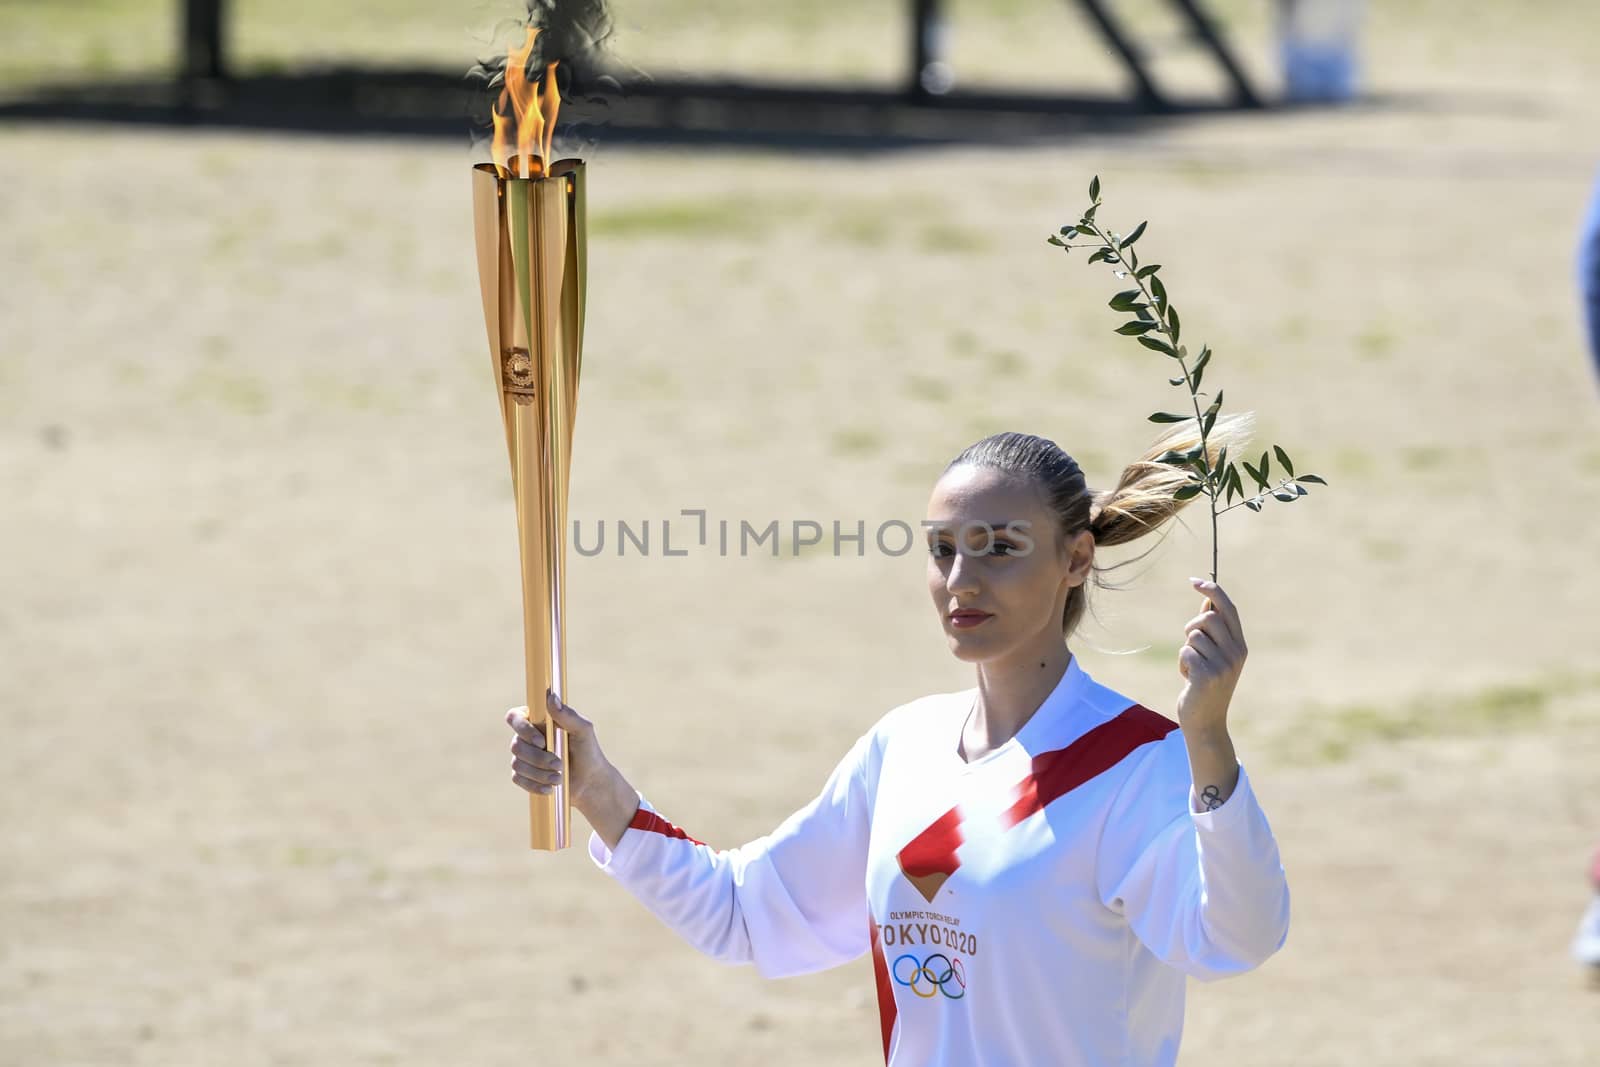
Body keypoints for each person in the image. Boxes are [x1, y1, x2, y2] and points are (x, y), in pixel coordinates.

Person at [506, 418, 1291, 1066]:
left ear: (1074, 559)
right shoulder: (904, 749)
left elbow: (1235, 936)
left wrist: (1209, 742)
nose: (961, 579)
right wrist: (597, 788)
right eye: (943, 547)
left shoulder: (1136, 761)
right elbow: (749, 912)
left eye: (998, 546)